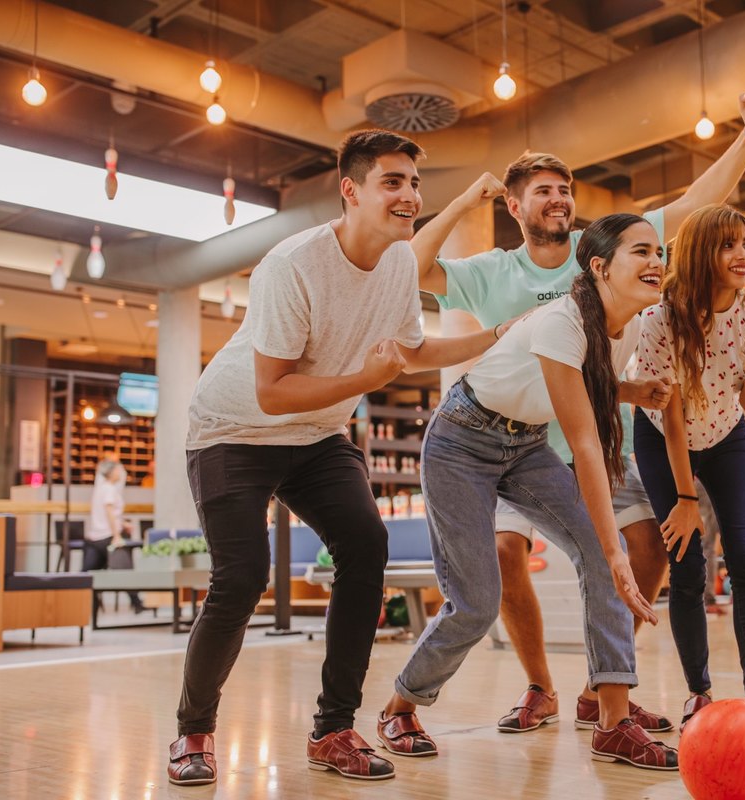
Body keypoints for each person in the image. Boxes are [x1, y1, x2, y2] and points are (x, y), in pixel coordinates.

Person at [411, 90, 745, 734]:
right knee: (502, 552)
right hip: (501, 433)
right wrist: (461, 202)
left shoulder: (611, 252)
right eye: (542, 190)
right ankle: (538, 688)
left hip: (588, 434)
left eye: (565, 188)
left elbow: (694, 203)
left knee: (649, 543)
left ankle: (602, 689)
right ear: (514, 205)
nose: (557, 198)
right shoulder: (491, 271)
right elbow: (409, 268)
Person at [167, 130, 513, 786]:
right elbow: (272, 392)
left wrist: (494, 337)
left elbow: (406, 351)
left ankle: (333, 729)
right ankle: (194, 731)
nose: (409, 195)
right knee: (241, 579)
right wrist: (363, 381)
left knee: (366, 547)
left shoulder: (401, 264)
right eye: (392, 182)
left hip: (316, 436)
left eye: (414, 183)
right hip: (233, 432)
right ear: (351, 191)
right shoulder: (293, 265)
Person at [380, 213, 678, 770]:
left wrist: (630, 387)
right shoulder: (559, 321)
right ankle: (400, 705)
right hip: (460, 441)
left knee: (597, 553)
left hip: (525, 444)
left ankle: (612, 720)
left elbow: (584, 381)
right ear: (600, 267)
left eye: (659, 251)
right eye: (641, 251)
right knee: (476, 601)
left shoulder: (629, 324)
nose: (656, 261)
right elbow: (587, 444)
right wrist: (615, 550)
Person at [632, 203, 745, 750]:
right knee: (685, 565)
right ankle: (698, 693)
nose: (742, 256)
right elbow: (673, 412)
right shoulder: (662, 318)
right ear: (704, 251)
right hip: (662, 435)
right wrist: (684, 496)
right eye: (728, 245)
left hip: (727, 433)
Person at [85, 458, 144, 613]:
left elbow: (109, 514)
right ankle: (137, 603)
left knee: (88, 572)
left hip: (95, 537)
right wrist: (117, 535)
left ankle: (91, 605)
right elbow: (110, 513)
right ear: (111, 472)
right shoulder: (110, 489)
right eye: (118, 469)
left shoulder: (100, 489)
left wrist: (123, 523)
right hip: (108, 537)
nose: (121, 472)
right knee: (124, 571)